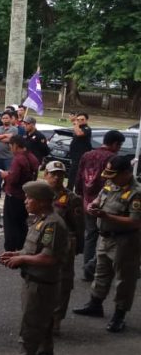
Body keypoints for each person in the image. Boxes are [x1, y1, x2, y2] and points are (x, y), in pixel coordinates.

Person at [0, 181, 69, 355]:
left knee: (31, 326)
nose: (26, 202)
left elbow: (49, 258)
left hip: (41, 284)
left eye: (30, 198)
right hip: (36, 280)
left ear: (43, 202)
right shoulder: (40, 220)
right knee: (43, 325)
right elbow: (34, 251)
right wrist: (16, 254)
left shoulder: (52, 223)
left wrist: (22, 259)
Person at [73, 155, 141, 332]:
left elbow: (135, 222)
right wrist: (93, 205)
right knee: (101, 272)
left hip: (125, 241)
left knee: (124, 279)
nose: (109, 178)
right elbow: (100, 197)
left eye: (114, 174)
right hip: (106, 237)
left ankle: (119, 314)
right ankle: (95, 304)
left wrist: (107, 216)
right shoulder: (111, 183)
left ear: (126, 173)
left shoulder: (136, 192)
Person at [74, 130, 125, 281]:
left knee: (90, 235)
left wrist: (80, 196)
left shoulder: (87, 155)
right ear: (115, 144)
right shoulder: (112, 158)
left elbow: (79, 177)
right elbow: (112, 183)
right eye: (119, 145)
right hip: (106, 203)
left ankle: (87, 271)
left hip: (87, 201)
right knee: (108, 238)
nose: (119, 148)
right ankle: (97, 268)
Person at [43, 161, 85, 334]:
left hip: (64, 243)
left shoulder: (71, 198)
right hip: (43, 241)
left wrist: (77, 245)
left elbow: (78, 225)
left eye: (60, 174)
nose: (56, 177)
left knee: (62, 281)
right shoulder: (40, 194)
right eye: (53, 174)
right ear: (45, 175)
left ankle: (56, 319)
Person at [0, 136, 40, 251]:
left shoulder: (18, 159)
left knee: (10, 223)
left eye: (11, 146)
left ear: (15, 145)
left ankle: (9, 250)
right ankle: (22, 248)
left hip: (14, 195)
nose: (10, 149)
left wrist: (5, 175)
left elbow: (13, 179)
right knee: (22, 222)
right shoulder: (32, 157)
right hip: (26, 194)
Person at [0, 112, 18, 195]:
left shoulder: (14, 129)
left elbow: (11, 140)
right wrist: (5, 135)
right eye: (3, 118)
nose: (5, 120)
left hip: (8, 156)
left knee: (8, 174)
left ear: (10, 119)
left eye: (7, 118)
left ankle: (7, 190)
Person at [67, 113, 93, 191]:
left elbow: (79, 133)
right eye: (78, 119)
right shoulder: (78, 127)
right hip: (74, 155)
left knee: (76, 174)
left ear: (86, 120)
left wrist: (75, 122)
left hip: (81, 156)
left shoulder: (87, 128)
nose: (80, 121)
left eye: (82, 119)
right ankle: (69, 189)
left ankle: (74, 190)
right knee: (72, 174)